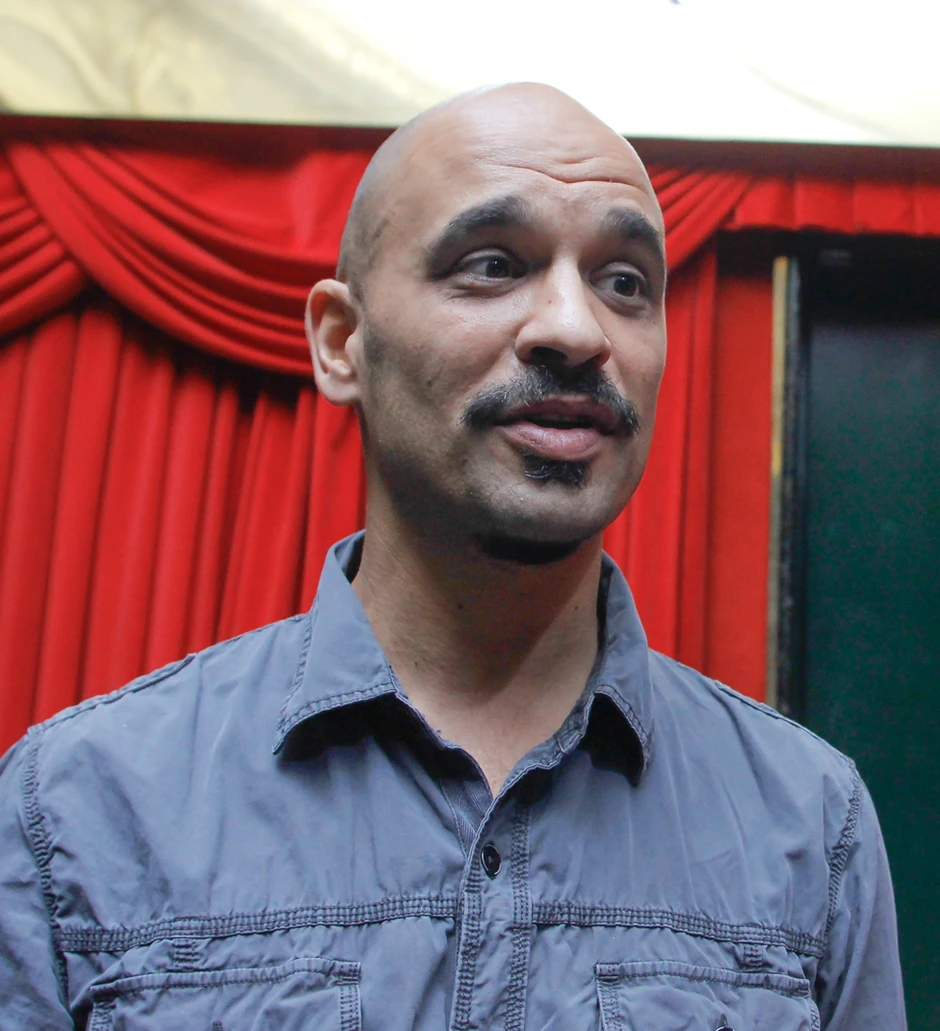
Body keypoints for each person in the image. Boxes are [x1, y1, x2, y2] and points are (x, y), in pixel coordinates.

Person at [0, 84, 904, 1030]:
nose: (577, 329)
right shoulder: (81, 808)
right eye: (492, 266)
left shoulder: (812, 825)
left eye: (625, 282)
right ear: (342, 343)